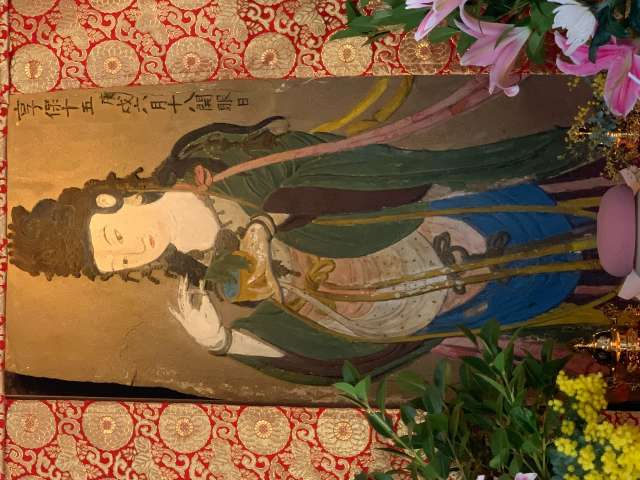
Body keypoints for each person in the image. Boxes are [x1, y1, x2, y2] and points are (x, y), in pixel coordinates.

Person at [9, 117, 613, 384]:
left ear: (112, 202)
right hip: (416, 295)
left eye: (114, 237)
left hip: (415, 215)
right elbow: (314, 354)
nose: (132, 251)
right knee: (560, 283)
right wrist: (224, 343)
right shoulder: (206, 276)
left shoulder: (210, 161)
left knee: (560, 209)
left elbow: (319, 160)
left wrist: (269, 219)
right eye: (118, 262)